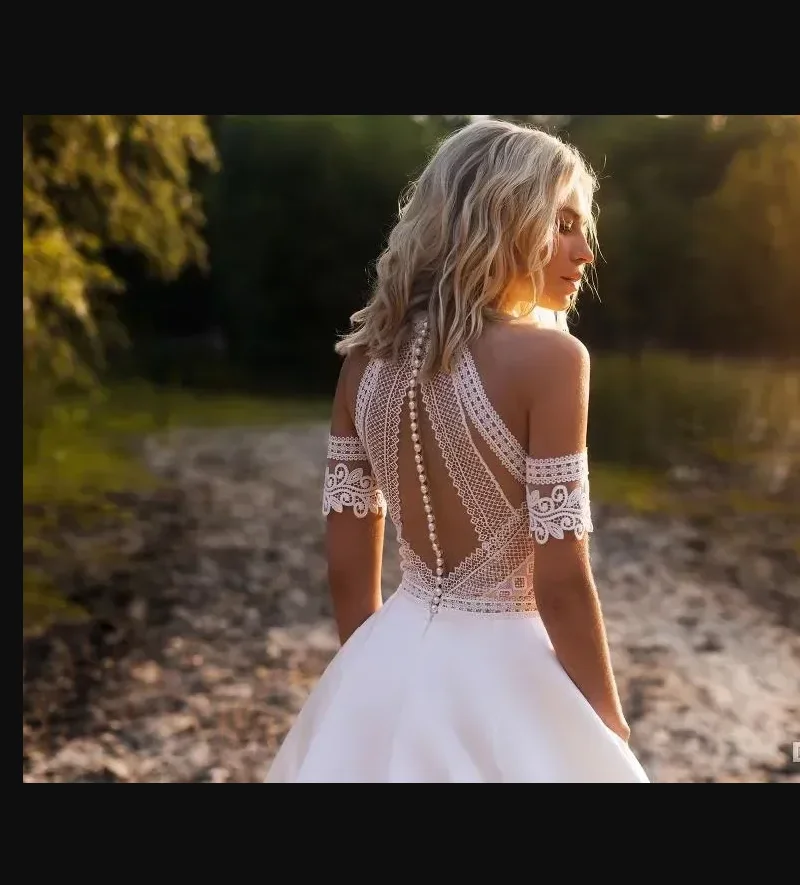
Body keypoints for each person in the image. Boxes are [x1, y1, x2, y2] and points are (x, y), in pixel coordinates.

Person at [265, 118, 650, 783]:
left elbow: (346, 558)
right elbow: (559, 580)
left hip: (385, 654)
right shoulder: (554, 360)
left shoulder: (365, 361)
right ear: (498, 217)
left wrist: (370, 682)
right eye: (562, 224)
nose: (584, 251)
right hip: (507, 670)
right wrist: (606, 719)